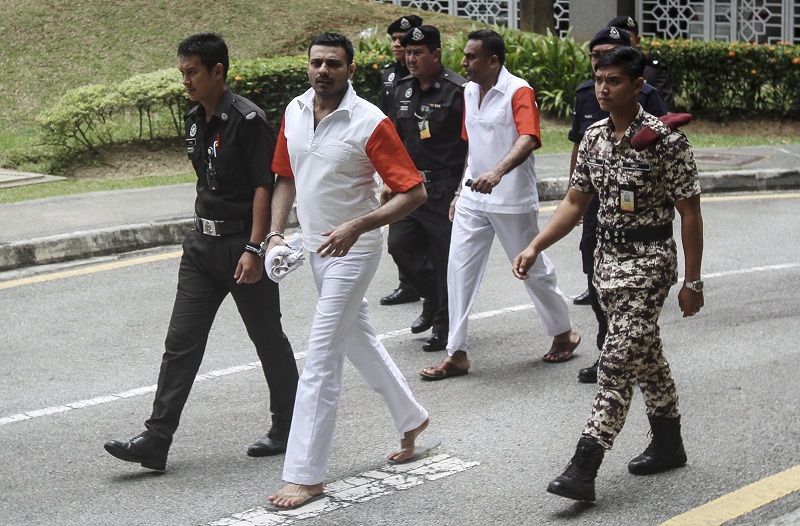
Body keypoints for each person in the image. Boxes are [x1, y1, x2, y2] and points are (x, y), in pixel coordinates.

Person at [513, 46, 704, 503]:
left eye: (614, 80)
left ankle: (584, 465)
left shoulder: (667, 142)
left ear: (638, 86)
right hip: (607, 263)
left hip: (650, 262)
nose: (603, 88)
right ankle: (668, 442)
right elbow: (576, 202)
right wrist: (536, 244)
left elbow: (690, 215)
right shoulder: (595, 137)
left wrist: (692, 281)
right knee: (645, 353)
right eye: (599, 79)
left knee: (616, 363)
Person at [103, 33, 299, 471]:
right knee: (180, 343)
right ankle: (156, 440)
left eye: (192, 72)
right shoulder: (193, 119)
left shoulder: (248, 120)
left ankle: (289, 425)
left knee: (267, 337)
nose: (186, 80)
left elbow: (262, 187)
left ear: (217, 72)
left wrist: (254, 246)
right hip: (201, 247)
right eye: (182, 72)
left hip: (241, 245)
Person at [266, 33, 431, 511]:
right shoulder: (295, 112)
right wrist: (276, 235)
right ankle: (411, 416)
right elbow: (286, 176)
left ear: (351, 69)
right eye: (317, 62)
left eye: (333, 64)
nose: (323, 71)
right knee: (357, 338)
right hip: (316, 247)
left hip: (353, 251)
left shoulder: (369, 122)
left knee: (321, 357)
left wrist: (358, 225)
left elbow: (413, 193)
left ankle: (305, 474)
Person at [419, 29, 580, 380]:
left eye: (471, 57)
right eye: (464, 55)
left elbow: (529, 137)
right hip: (473, 198)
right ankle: (456, 353)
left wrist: (498, 172)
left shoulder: (518, 90)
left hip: (511, 200)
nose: (463, 62)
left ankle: (563, 332)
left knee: (531, 267)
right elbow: (472, 146)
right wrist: (462, 193)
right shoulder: (468, 91)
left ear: (493, 60)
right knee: (458, 269)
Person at [571, 26, 668, 384]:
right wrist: (575, 200)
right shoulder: (587, 98)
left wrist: (694, 280)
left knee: (617, 373)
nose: (602, 82)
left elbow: (664, 151)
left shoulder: (650, 99)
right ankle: (619, 349)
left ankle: (615, 360)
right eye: (595, 58)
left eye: (609, 56)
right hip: (602, 210)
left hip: (645, 231)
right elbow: (579, 151)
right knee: (598, 288)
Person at [387, 25, 468, 352]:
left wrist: (462, 190)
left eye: (418, 52)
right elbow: (395, 139)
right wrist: (388, 181)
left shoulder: (457, 91)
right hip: (410, 187)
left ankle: (443, 325)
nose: (410, 58)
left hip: (445, 186)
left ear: (436, 54)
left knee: (445, 258)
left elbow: (471, 146)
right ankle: (432, 300)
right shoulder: (402, 89)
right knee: (399, 245)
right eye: (407, 52)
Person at [378, 14, 426, 309]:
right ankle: (407, 283)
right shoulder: (388, 75)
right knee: (399, 231)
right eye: (395, 40)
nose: (398, 44)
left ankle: (431, 290)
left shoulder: (421, 77)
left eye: (403, 40)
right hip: (395, 153)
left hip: (420, 155)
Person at [608, 15, 676, 111]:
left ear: (637, 41)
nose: (621, 43)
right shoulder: (602, 68)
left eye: (626, 38)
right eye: (617, 40)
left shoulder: (653, 70)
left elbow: (667, 112)